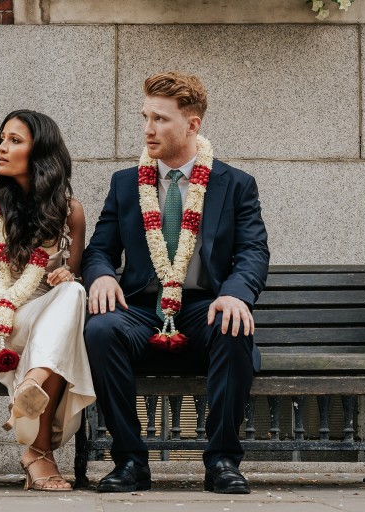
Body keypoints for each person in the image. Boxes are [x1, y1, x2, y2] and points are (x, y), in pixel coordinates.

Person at [82, 72, 269, 494]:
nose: (149, 129)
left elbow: (254, 251)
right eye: (145, 117)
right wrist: (101, 278)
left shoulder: (235, 184)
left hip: (204, 304)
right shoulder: (125, 184)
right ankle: (130, 462)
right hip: (142, 309)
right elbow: (99, 251)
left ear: (193, 124)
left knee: (232, 327)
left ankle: (222, 461)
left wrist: (236, 295)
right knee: (100, 328)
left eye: (161, 119)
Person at [0, 110, 95, 491]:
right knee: (55, 345)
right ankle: (39, 453)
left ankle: (31, 385)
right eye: (2, 139)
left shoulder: (70, 213)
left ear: (41, 153)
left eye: (15, 140)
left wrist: (66, 275)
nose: (2, 147)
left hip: (42, 319)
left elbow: (70, 277)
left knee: (73, 290)